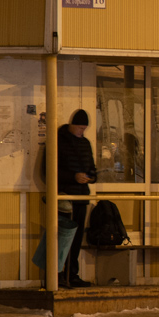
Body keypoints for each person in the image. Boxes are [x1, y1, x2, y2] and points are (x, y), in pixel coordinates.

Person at [58, 109, 97, 287]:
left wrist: (91, 177)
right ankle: (59, 274)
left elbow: (92, 169)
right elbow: (50, 171)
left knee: (76, 237)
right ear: (72, 125)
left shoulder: (85, 144)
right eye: (80, 128)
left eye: (84, 128)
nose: (82, 132)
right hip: (65, 197)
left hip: (81, 196)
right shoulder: (59, 142)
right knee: (63, 238)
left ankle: (71, 274)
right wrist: (73, 177)